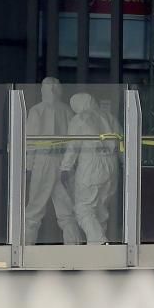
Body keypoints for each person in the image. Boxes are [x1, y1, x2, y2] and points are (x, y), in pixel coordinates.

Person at [24, 78, 80, 245]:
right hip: (63, 162)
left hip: (43, 161)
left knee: (35, 208)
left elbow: (30, 141)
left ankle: (25, 249)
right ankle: (74, 248)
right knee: (67, 210)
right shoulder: (67, 110)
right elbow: (74, 140)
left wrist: (28, 166)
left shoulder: (37, 110)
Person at [61, 93, 121, 244]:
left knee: (83, 208)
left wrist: (65, 168)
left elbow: (73, 146)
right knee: (101, 210)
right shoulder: (109, 117)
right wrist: (126, 165)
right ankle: (96, 251)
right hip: (111, 165)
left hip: (91, 164)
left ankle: (99, 241)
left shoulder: (80, 118)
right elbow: (123, 143)